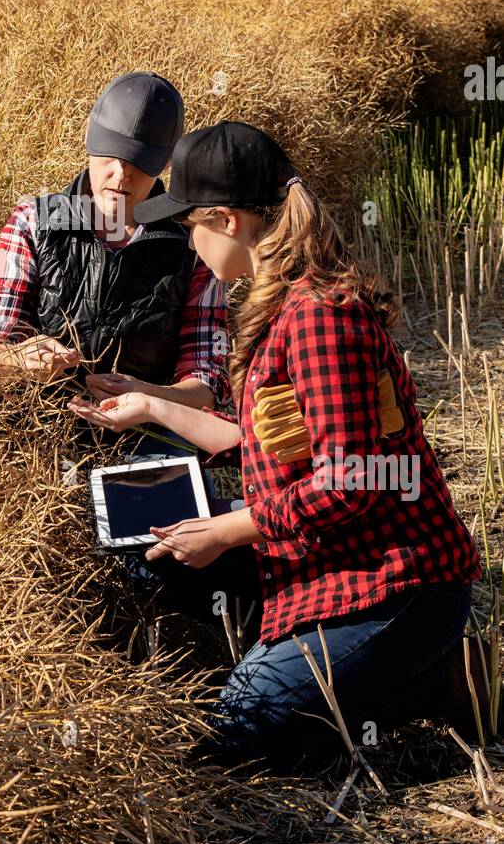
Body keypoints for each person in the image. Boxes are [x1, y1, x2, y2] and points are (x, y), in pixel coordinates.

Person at [69, 121, 485, 770]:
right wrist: (151, 403)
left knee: (235, 744)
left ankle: (431, 679)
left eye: (188, 225)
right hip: (326, 555)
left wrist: (225, 530)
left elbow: (354, 479)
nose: (186, 240)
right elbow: (257, 440)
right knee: (151, 549)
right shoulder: (282, 300)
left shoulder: (320, 317)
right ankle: (362, 672)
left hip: (396, 579)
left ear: (227, 220)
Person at [0, 73, 236, 437]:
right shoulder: (34, 221)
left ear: (165, 164)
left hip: (143, 443)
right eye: (111, 154)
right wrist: (20, 358)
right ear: (90, 143)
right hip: (29, 434)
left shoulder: (194, 244)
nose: (121, 174)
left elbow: (207, 379)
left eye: (140, 162)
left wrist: (146, 398)